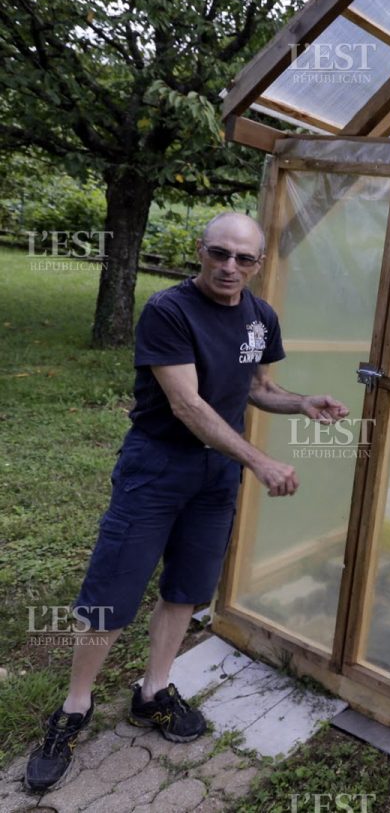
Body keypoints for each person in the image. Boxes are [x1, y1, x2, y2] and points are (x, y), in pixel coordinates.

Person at [25, 211, 349, 793]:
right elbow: (188, 406)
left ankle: (153, 693)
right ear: (200, 252)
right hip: (158, 466)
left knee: (187, 588)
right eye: (219, 253)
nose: (229, 267)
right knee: (113, 591)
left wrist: (301, 403)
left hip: (215, 477)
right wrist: (259, 459)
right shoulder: (169, 311)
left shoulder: (260, 316)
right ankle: (73, 709)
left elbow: (257, 387)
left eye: (243, 258)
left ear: (258, 264)